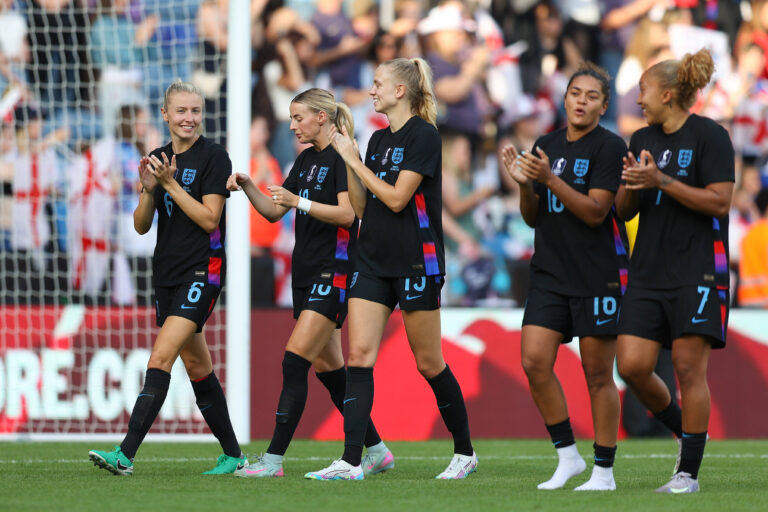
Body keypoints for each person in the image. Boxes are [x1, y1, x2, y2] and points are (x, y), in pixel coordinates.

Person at [305, 57, 477, 481]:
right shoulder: (378, 139)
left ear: (401, 90)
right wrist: (351, 161)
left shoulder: (425, 136)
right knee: (359, 357)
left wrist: (355, 160)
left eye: (378, 84)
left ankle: (465, 452)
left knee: (429, 363)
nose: (371, 90)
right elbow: (363, 207)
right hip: (372, 259)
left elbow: (398, 199)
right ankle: (351, 461)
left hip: (416, 260)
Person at [228, 88, 393, 478]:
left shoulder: (341, 156)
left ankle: (273, 461)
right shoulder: (304, 160)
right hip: (305, 274)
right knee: (329, 369)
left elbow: (349, 215)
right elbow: (274, 211)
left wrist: (298, 202)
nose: (291, 126)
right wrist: (249, 186)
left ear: (322, 117)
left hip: (333, 272)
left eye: (297, 117)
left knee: (294, 360)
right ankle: (377, 450)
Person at [88, 80, 246, 476]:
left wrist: (170, 184)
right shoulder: (158, 158)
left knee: (160, 357)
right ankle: (234, 455)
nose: (189, 118)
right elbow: (141, 226)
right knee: (197, 366)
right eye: (181, 111)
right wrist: (148, 191)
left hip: (203, 270)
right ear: (165, 115)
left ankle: (125, 455)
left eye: (195, 111)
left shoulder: (214, 157)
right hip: (167, 273)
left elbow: (210, 219)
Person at [500, 62, 628, 491]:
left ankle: (604, 472)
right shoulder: (546, 144)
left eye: (592, 96)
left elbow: (596, 212)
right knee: (534, 361)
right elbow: (532, 217)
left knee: (598, 375)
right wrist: (524, 185)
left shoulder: (609, 147)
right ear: (565, 97)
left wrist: (549, 178)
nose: (581, 102)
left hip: (596, 274)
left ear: (603, 106)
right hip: (550, 272)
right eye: (576, 93)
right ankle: (568, 457)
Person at [615, 48, 735, 493]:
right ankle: (686, 430)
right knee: (631, 366)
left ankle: (688, 474)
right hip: (647, 270)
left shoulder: (711, 136)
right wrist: (632, 184)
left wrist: (661, 180)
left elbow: (720, 201)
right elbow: (624, 209)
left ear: (667, 94)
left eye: (643, 90)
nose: (638, 99)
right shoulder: (640, 139)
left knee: (687, 369)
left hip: (698, 269)